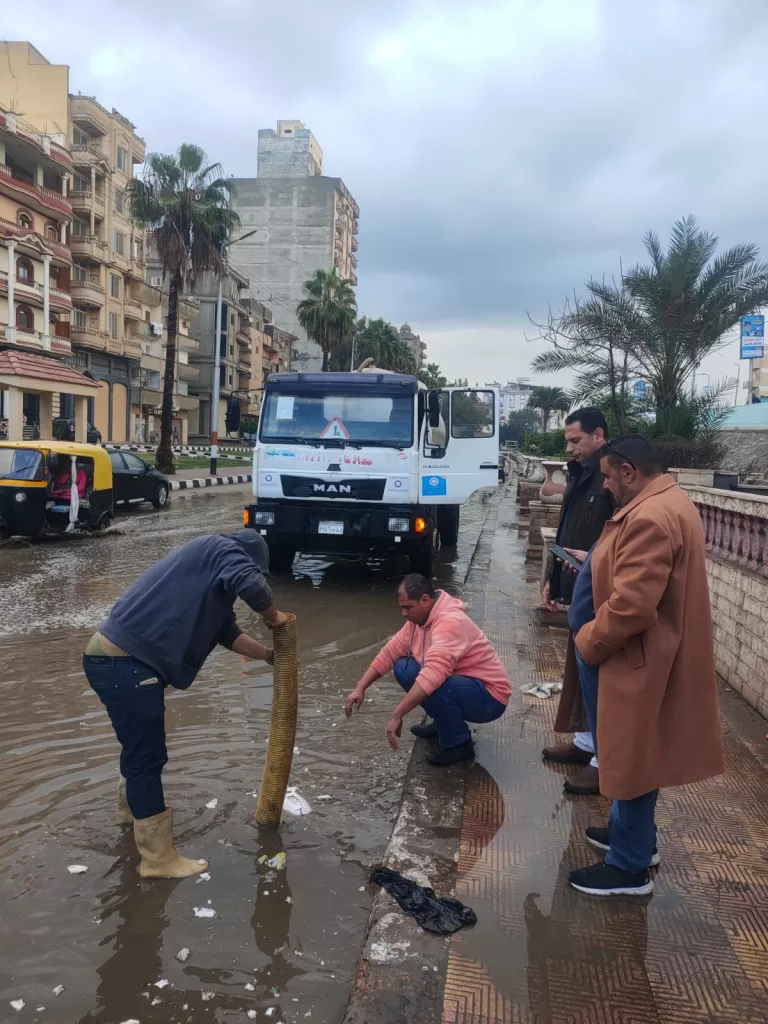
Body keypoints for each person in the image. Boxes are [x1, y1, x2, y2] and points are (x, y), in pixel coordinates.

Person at [83, 529, 288, 880]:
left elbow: (227, 634)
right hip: (127, 664)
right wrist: (274, 617)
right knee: (148, 758)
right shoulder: (221, 547)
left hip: (112, 660)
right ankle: (158, 859)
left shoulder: (210, 578)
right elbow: (252, 586)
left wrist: (269, 655)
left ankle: (131, 816)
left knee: (137, 751)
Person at [568, 435, 724, 897]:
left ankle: (629, 867)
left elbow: (633, 607)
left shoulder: (651, 517)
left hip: (631, 658)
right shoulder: (668, 502)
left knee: (631, 757)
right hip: (639, 656)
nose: (608, 487)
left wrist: (589, 641)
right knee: (633, 753)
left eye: (609, 477)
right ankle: (634, 838)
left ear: (629, 472)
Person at [345, 574, 510, 765]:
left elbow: (432, 675)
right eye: (402, 608)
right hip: (464, 684)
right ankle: (444, 725)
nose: (404, 614)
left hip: (490, 698)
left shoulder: (450, 622)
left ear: (425, 600)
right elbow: (390, 652)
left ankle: (458, 744)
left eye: (408, 608)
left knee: (436, 684)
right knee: (403, 668)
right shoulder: (418, 621)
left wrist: (397, 714)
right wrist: (361, 687)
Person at [541, 407, 616, 795]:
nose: (570, 448)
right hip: (578, 585)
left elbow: (618, 538)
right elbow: (566, 530)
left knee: (600, 674)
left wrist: (597, 564)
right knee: (580, 667)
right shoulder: (581, 476)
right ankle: (587, 743)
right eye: (567, 441)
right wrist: (552, 579)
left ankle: (606, 760)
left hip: (604, 591)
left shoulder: (613, 480)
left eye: (576, 440)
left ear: (598, 435)